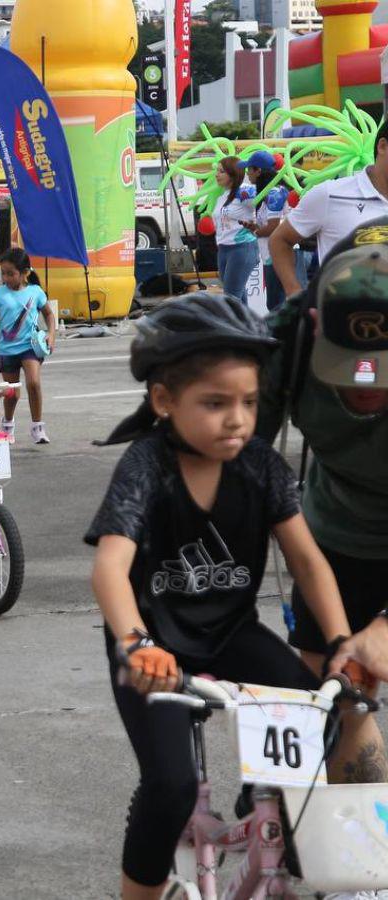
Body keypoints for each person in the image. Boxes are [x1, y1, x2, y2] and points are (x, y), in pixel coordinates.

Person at [85, 293, 365, 900]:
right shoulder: (146, 464)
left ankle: (269, 819)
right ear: (164, 401)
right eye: (214, 404)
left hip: (229, 632)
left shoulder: (260, 465)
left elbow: (308, 562)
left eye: (248, 402)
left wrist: (341, 642)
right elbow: (110, 566)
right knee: (171, 785)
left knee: (323, 716)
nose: (236, 419)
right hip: (153, 643)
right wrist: (136, 643)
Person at [257, 223, 388, 784]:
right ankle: (361, 858)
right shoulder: (284, 342)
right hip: (340, 529)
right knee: (327, 693)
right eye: (350, 365)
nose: (368, 389)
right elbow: (231, 466)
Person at [271, 119, 388, 295]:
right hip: (341, 317)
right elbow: (279, 240)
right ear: (383, 146)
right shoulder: (329, 194)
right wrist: (294, 293)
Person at [0, 247, 56, 445]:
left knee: (33, 383)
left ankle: (37, 427)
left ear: (25, 273)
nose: (6, 277)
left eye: (10, 273)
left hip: (30, 346)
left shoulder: (35, 292)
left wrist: (51, 335)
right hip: (6, 350)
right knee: (12, 393)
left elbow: (49, 314)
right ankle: (8, 423)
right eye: (3, 273)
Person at [238, 150, 290, 312]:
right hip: (272, 254)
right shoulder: (268, 191)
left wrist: (255, 233)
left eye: (249, 169)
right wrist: (254, 227)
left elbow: (274, 227)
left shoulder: (274, 192)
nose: (247, 173)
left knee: (276, 305)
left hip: (278, 255)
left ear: (258, 171)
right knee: (276, 303)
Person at [212, 156, 259, 302]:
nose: (216, 174)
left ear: (233, 174)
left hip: (242, 248)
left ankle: (233, 325)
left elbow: (266, 199)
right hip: (224, 249)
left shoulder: (244, 192)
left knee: (231, 299)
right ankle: (247, 325)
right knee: (238, 297)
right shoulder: (223, 196)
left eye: (221, 171)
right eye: (217, 171)